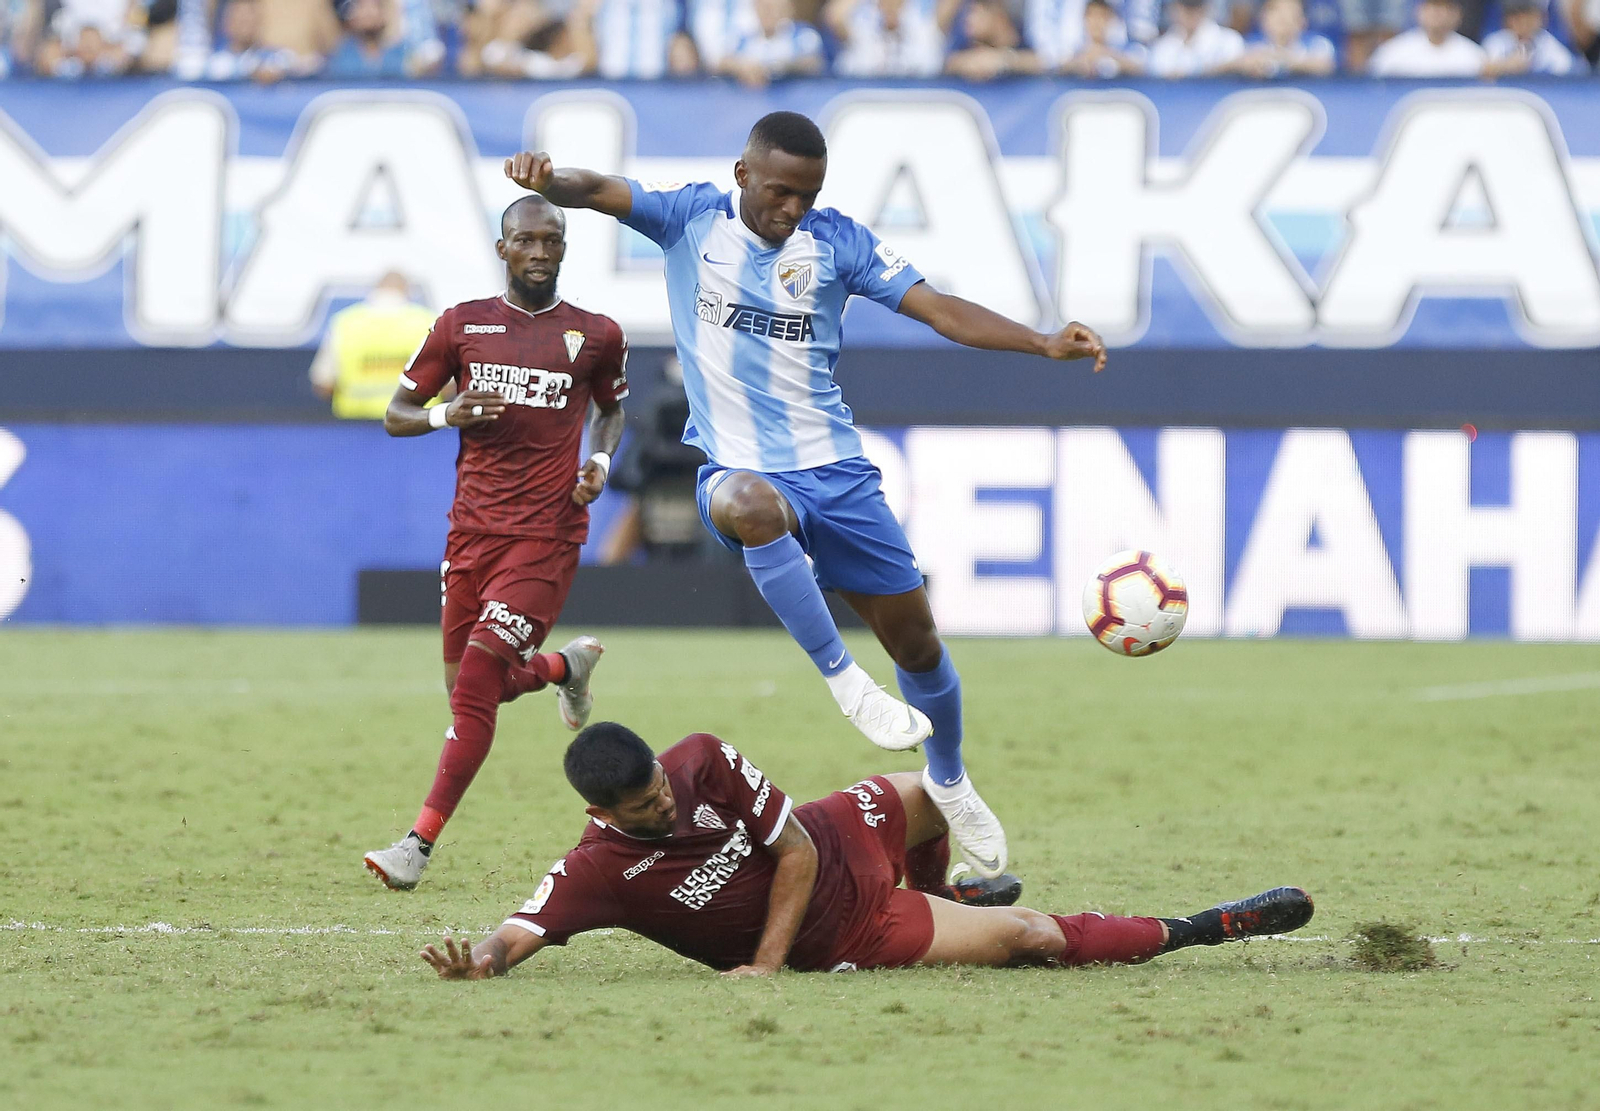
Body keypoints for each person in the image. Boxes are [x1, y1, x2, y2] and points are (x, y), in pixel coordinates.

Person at [501, 112, 1108, 880]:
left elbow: (942, 310)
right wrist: (547, 180)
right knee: (748, 505)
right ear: (743, 174)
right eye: (781, 191)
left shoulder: (837, 242)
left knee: (919, 647)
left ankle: (950, 780)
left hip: (838, 474)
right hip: (740, 469)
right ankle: (844, 681)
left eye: (807, 194)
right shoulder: (691, 218)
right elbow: (598, 189)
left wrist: (1043, 340)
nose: (792, 209)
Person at [419, 723, 1316, 980]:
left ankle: (955, 888)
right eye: (648, 805)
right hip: (846, 926)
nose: (667, 799)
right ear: (600, 809)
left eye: (660, 782)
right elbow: (518, 930)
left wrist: (758, 966)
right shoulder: (597, 873)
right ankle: (1208, 926)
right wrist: (484, 962)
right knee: (1033, 936)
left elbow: (797, 848)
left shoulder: (696, 758)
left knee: (930, 789)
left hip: (828, 844)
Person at [362, 195, 629, 891]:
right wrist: (447, 412)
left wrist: (600, 464)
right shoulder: (461, 324)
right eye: (527, 241)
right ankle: (561, 670)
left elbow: (610, 410)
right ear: (502, 248)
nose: (540, 252)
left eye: (552, 240)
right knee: (466, 690)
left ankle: (416, 845)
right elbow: (395, 416)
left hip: (546, 535)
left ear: (564, 249)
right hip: (471, 534)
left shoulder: (595, 334)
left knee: (478, 678)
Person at [308, 271, 438, 419]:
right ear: (406, 290)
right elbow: (448, 385)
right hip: (416, 427)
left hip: (356, 430)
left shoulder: (345, 323)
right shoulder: (428, 322)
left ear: (376, 289)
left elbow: (324, 383)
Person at [719, 0, 825, 87]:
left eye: (772, 8)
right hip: (754, 100)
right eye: (763, 8)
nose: (767, 13)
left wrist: (775, 67)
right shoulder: (744, 38)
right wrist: (741, 66)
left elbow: (813, 63)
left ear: (785, 9)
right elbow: (722, 63)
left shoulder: (802, 34)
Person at [1366, 0, 1486, 74]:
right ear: (1419, 11)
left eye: (1445, 8)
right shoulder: (1392, 52)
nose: (1437, 13)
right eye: (1432, 6)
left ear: (1457, 15)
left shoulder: (1473, 55)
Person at [1228, 0, 1335, 75]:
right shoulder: (1249, 44)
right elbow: (1221, 67)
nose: (1283, 19)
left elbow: (1325, 66)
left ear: (1303, 20)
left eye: (1290, 13)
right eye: (1276, 12)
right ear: (1263, 18)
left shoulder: (1317, 43)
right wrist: (1244, 64)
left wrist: (1283, 60)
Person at [944, 0, 1042, 79]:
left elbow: (1044, 61)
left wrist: (1004, 60)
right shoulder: (969, 40)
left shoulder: (1026, 31)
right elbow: (949, 63)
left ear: (995, 12)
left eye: (974, 12)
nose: (968, 20)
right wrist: (968, 63)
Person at [1483, 0, 1584, 74]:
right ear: (1507, 20)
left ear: (1541, 18)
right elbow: (1485, 69)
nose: (1523, 23)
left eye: (1529, 17)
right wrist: (1506, 66)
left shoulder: (1548, 43)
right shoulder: (1496, 41)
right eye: (1517, 17)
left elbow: (1569, 71)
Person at [1148, 0, 1246, 75]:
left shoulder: (1229, 41)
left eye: (1197, 7)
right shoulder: (1162, 46)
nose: (1191, 14)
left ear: (1207, 8)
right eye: (1185, 8)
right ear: (1175, 8)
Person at [1058, 0, 1148, 75]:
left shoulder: (1122, 47)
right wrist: (1081, 61)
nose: (1096, 23)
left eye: (1102, 17)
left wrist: (1105, 54)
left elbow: (1140, 68)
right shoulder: (1076, 48)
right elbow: (1060, 68)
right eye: (1092, 16)